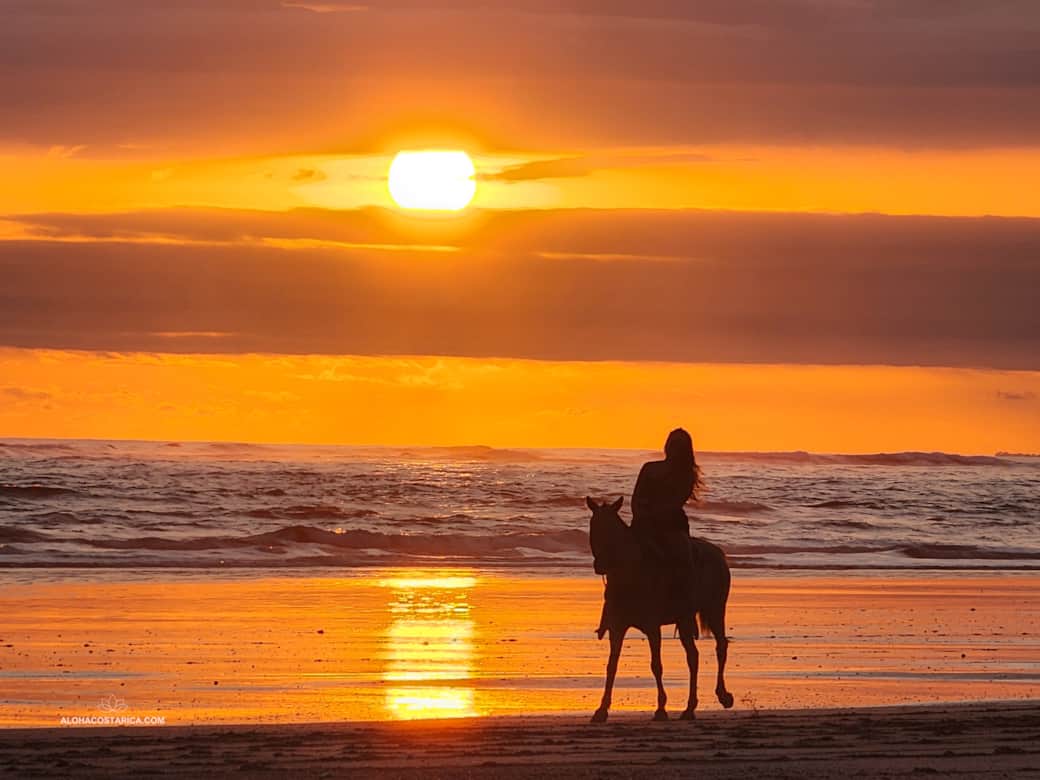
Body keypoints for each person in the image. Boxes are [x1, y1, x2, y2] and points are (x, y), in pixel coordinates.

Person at [595, 428, 704, 638]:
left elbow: (675, 503)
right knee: (617, 558)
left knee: (683, 559)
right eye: (671, 444)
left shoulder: (686, 475)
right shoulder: (650, 468)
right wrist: (641, 513)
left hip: (671, 527)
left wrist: (655, 514)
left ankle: (686, 613)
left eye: (677, 446)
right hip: (643, 523)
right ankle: (609, 614)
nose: (673, 449)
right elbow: (636, 496)